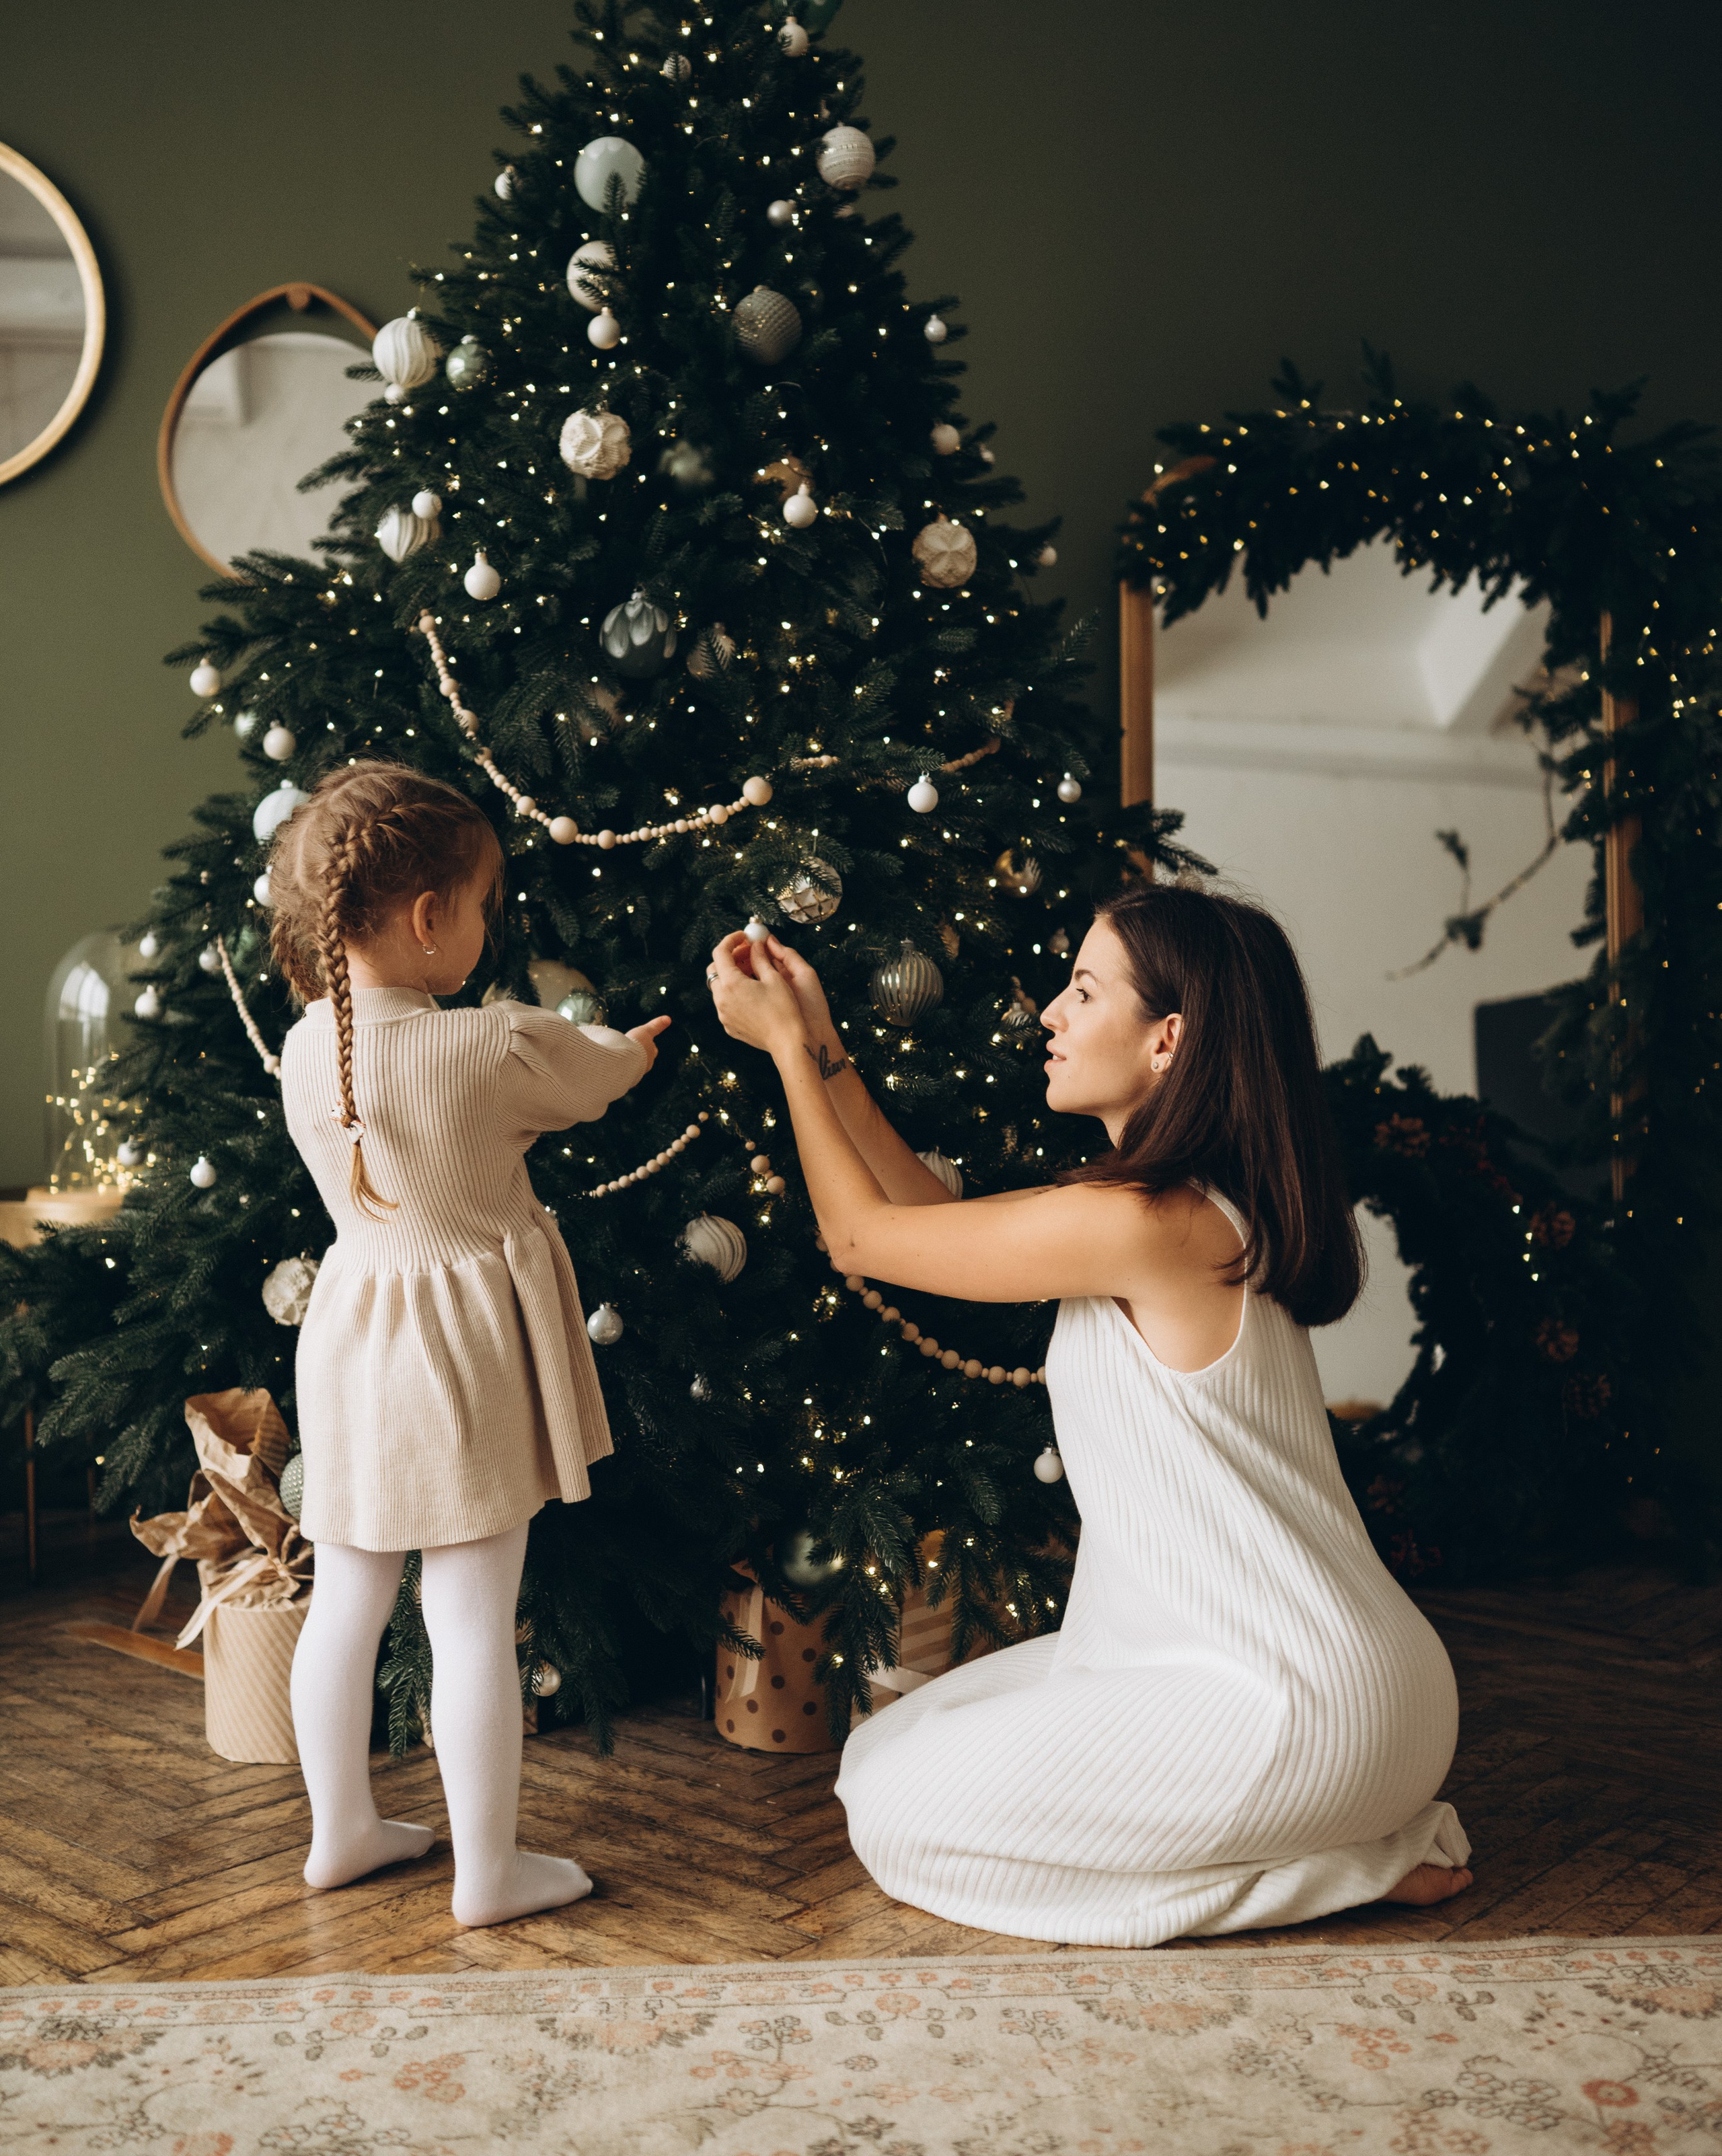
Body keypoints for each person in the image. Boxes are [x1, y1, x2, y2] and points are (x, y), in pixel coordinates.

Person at [706, 885, 1474, 1947]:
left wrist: (787, 1055)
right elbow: (928, 1220)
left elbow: (860, 1241)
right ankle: (1342, 1837)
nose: (1050, 1018)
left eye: (1083, 991)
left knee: (889, 1821)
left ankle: (1339, 1865)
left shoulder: (1147, 1223)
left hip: (1299, 1705)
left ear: (1168, 1040)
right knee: (886, 1750)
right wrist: (827, 1042)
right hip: (1334, 1682)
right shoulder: (1166, 1208)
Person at [270, 761, 667, 1927]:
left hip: (350, 1335)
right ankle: (488, 1872)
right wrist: (636, 1049)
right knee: (469, 1618)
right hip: (455, 1353)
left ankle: (339, 1828)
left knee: (345, 1595)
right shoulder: (484, 1047)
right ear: (428, 916)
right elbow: (592, 1071)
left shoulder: (306, 1048)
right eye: (484, 908)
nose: (488, 932)